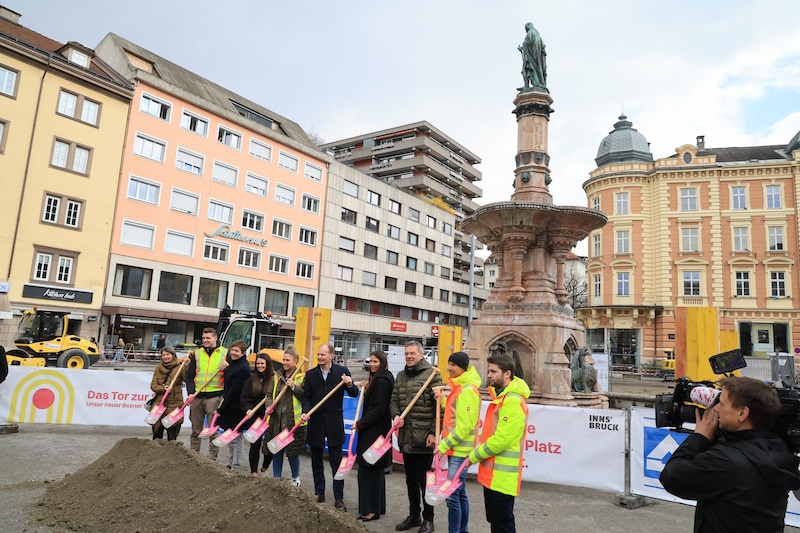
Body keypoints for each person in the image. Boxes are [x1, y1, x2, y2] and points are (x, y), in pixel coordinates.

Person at [660, 376, 800, 532]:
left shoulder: (725, 460)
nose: (716, 409)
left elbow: (671, 477)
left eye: (722, 404)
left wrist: (699, 437)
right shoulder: (780, 450)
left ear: (742, 413)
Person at [469, 352, 531, 533]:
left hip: (502, 477)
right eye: (489, 371)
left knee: (503, 524)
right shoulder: (502, 398)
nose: (488, 375)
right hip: (493, 475)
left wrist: (473, 457)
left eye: (493, 372)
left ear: (507, 374)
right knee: (496, 522)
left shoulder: (512, 401)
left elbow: (502, 439)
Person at [390, 340, 442, 533]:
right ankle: (414, 516)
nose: (409, 356)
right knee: (410, 479)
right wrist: (396, 415)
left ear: (421, 355)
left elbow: (439, 409)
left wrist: (433, 433)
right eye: (406, 354)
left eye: (412, 353)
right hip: (406, 436)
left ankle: (429, 519)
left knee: (424, 480)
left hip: (423, 438)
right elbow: (394, 399)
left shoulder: (432, 375)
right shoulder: (401, 376)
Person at [301, 343, 358, 511]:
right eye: (318, 354)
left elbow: (354, 393)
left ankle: (339, 497)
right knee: (316, 461)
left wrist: (349, 384)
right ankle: (319, 492)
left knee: (336, 462)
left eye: (323, 355)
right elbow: (306, 397)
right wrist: (306, 411)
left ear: (331, 355)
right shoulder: (311, 375)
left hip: (334, 423)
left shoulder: (342, 372)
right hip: (316, 422)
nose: (319, 357)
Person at [436, 352, 481, 533]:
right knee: (460, 494)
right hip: (456, 451)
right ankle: (462, 531)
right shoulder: (460, 388)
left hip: (459, 452)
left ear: (463, 367)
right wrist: (442, 401)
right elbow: (455, 409)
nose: (449, 368)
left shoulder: (467, 390)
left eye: (453, 365)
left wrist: (442, 447)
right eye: (449, 364)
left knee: (452, 496)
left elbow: (464, 427)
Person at [355, 350, 395, 522]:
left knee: (368, 469)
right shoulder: (380, 379)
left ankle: (370, 510)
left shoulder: (382, 382)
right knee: (376, 470)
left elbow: (379, 408)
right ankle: (378, 506)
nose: (372, 365)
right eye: (370, 361)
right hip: (377, 431)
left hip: (374, 432)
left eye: (375, 362)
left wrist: (361, 423)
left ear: (383, 363)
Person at [262, 345, 306, 485]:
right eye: (284, 360)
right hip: (277, 420)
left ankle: (295, 478)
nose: (285, 362)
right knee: (276, 450)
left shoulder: (301, 377)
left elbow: (305, 396)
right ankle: (276, 478)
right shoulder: (277, 376)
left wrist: (293, 387)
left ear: (295, 361)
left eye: (288, 360)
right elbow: (269, 394)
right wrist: (269, 406)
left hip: (292, 421)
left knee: (292, 452)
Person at [186, 327, 228, 459]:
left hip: (214, 396)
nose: (205, 340)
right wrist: (191, 392)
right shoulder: (197, 354)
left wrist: (226, 368)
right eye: (204, 338)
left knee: (213, 430)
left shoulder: (225, 353)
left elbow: (230, 376)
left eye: (208, 338)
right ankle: (194, 457)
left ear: (215, 338)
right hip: (197, 396)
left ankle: (212, 459)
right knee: (195, 431)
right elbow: (189, 375)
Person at [216, 339, 251, 472]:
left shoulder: (243, 368)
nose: (233, 353)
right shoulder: (234, 364)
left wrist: (221, 408)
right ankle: (231, 463)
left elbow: (234, 391)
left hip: (236, 407)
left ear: (243, 353)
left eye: (237, 351)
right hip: (230, 406)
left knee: (236, 438)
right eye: (232, 350)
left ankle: (235, 466)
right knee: (230, 436)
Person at [241, 352, 274, 476]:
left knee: (270, 444)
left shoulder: (274, 379)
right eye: (258, 363)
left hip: (270, 416)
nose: (259, 366)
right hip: (255, 417)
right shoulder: (251, 380)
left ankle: (265, 465)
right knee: (255, 444)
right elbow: (245, 398)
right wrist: (248, 409)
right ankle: (253, 471)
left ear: (268, 364)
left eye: (262, 363)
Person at [149, 346, 189, 440]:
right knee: (157, 432)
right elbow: (153, 386)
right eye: (163, 355)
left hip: (174, 403)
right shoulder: (158, 369)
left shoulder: (180, 367)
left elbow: (187, 379)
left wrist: (187, 366)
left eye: (168, 354)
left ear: (173, 355)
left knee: (172, 433)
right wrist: (163, 388)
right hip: (159, 403)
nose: (165, 357)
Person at [518, 21, 547, 92]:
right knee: (535, 70)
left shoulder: (530, 33)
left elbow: (528, 43)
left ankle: (526, 85)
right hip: (537, 58)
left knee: (524, 70)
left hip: (530, 57)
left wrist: (522, 47)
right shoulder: (538, 35)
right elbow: (543, 47)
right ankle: (535, 84)